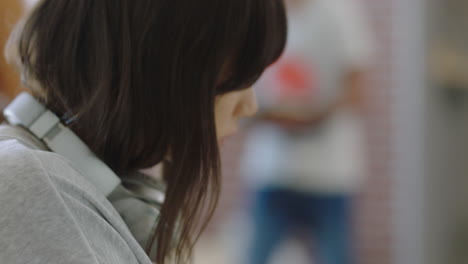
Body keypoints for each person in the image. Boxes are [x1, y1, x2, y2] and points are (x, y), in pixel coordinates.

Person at [0, 1, 287, 264]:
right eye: (238, 76)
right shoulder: (26, 185)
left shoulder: (84, 185)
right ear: (154, 60)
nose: (249, 105)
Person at [242, 0, 373, 263]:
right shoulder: (257, 12)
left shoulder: (341, 12)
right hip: (271, 171)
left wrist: (312, 115)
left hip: (329, 174)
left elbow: (358, 91)